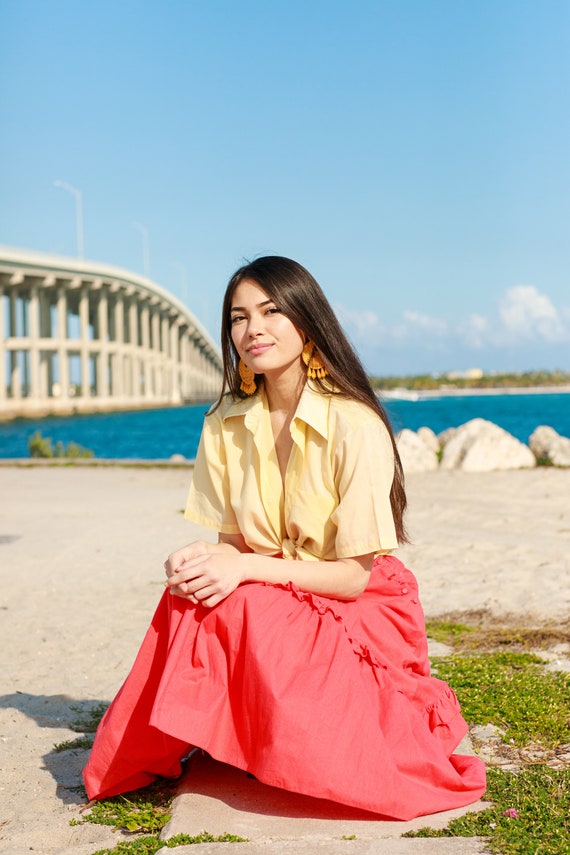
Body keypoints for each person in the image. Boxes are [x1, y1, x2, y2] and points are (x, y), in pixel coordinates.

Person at [83, 256, 486, 819]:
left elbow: (352, 578)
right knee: (194, 593)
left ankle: (285, 739)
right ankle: (151, 754)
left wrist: (243, 569)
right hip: (276, 592)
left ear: (307, 322)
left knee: (239, 595)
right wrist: (204, 558)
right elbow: (233, 544)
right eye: (238, 317)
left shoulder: (355, 424)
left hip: (361, 601)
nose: (253, 329)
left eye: (271, 312)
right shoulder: (224, 421)